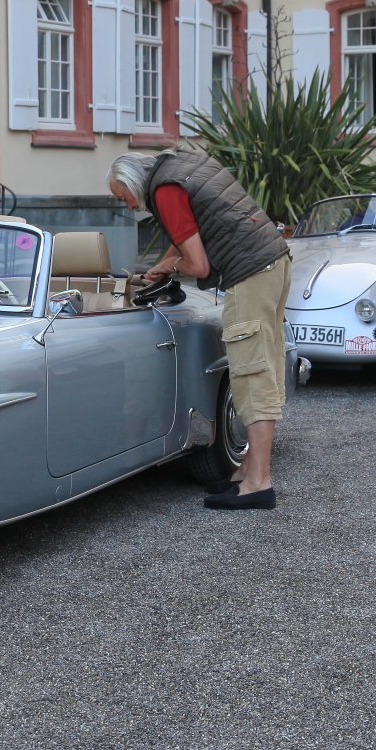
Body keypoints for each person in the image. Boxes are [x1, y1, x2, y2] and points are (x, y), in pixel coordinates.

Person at [107, 143, 291, 511]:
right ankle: (246, 472)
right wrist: (163, 265)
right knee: (264, 368)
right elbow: (187, 236)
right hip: (273, 262)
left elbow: (198, 265)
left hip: (250, 273)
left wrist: (172, 267)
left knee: (251, 374)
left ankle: (259, 483)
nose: (126, 206)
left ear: (133, 183)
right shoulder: (179, 165)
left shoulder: (164, 191)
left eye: (121, 196)